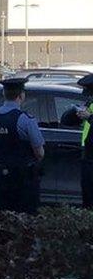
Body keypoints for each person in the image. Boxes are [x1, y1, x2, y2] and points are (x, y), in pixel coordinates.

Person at [0, 77, 45, 214]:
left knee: (1, 216)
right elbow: (39, 152)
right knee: (26, 216)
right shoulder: (25, 119)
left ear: (3, 94)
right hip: (23, 179)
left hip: (0, 177)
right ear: (21, 95)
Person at [61, 74, 93, 208]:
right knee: (87, 199)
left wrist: (90, 117)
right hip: (87, 159)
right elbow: (65, 121)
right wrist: (75, 111)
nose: (88, 96)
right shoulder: (89, 104)